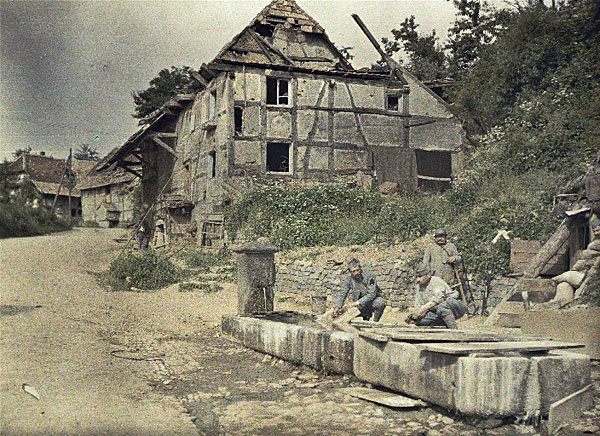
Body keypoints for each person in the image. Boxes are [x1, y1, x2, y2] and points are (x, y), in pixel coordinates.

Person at [406, 263, 467, 329]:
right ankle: (444, 327)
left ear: (428, 275)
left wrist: (420, 311)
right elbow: (418, 306)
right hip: (438, 312)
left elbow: (436, 301)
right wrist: (414, 318)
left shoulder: (436, 281)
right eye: (417, 277)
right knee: (419, 321)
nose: (417, 279)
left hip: (455, 306)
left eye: (420, 276)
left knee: (441, 307)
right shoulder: (419, 286)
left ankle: (454, 331)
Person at [334, 258, 386, 322]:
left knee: (380, 302)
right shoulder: (349, 279)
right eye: (353, 271)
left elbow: (372, 294)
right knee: (343, 311)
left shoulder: (370, 276)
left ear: (360, 268)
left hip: (370, 303)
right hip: (359, 306)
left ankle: (375, 322)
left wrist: (355, 303)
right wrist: (338, 306)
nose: (356, 273)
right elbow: (343, 293)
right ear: (350, 272)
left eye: (357, 270)